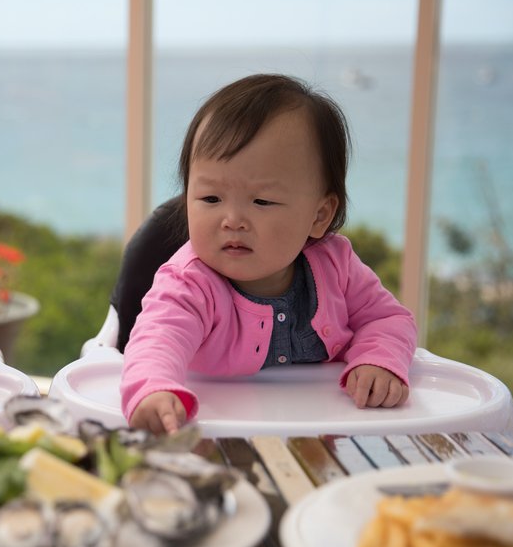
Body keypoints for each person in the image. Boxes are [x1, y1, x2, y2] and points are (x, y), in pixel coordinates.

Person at [120, 74, 417, 435]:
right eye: (210, 199)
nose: (233, 220)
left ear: (319, 215)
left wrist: (380, 361)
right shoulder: (189, 285)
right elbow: (157, 339)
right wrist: (154, 389)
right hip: (221, 436)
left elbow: (388, 319)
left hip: (325, 434)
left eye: (262, 201)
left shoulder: (335, 266)